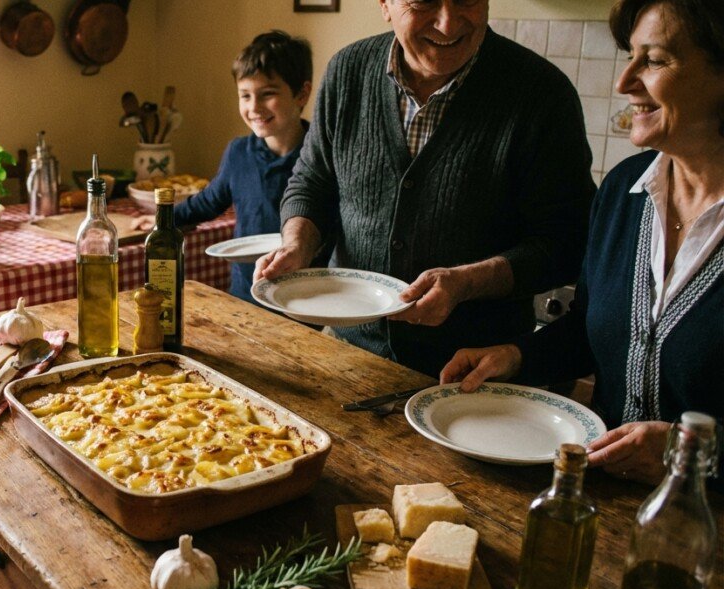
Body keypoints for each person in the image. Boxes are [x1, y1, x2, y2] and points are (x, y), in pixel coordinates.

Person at [440, 0, 724, 487]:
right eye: (629, 55)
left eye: (653, 60)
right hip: (598, 499)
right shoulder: (624, 190)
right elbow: (590, 332)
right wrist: (516, 357)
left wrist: (692, 455)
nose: (624, 82)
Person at [255, 0, 596, 376]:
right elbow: (313, 180)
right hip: (348, 354)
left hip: (472, 374)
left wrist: (466, 283)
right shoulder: (346, 71)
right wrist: (296, 244)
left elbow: (566, 241)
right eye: (424, 2)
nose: (448, 24)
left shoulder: (542, 94)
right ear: (385, 4)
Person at [133, 30, 313, 305]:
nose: (254, 107)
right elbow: (206, 202)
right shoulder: (238, 153)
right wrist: (164, 218)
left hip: (303, 293)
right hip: (247, 293)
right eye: (245, 95)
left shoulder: (319, 155)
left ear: (301, 93)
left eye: (267, 94)